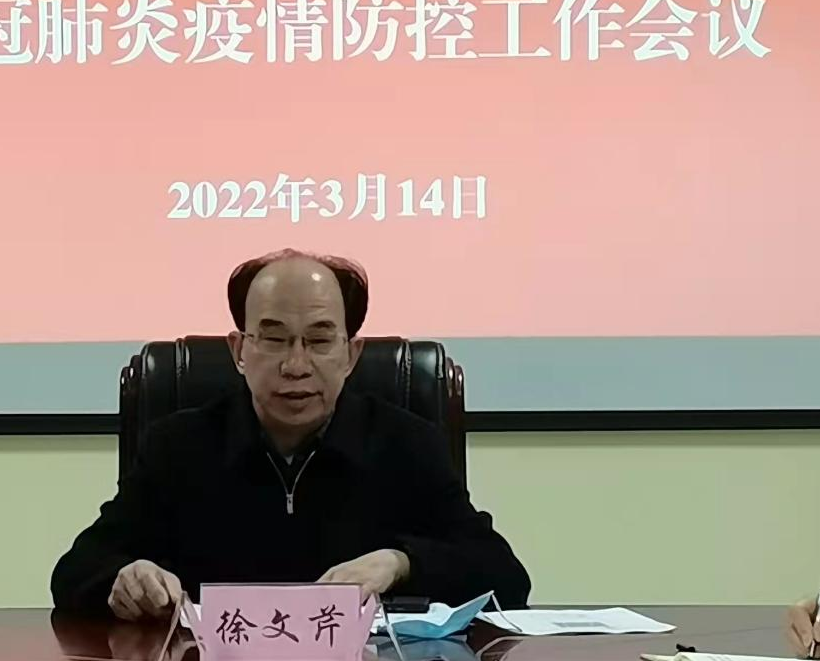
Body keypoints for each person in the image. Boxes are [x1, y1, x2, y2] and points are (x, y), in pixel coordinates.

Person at [51, 249, 530, 619]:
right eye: (274, 338)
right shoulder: (178, 445)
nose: (296, 365)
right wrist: (124, 578)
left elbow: (505, 577)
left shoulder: (406, 444)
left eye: (319, 340)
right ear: (239, 351)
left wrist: (401, 563)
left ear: (351, 354)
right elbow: (76, 570)